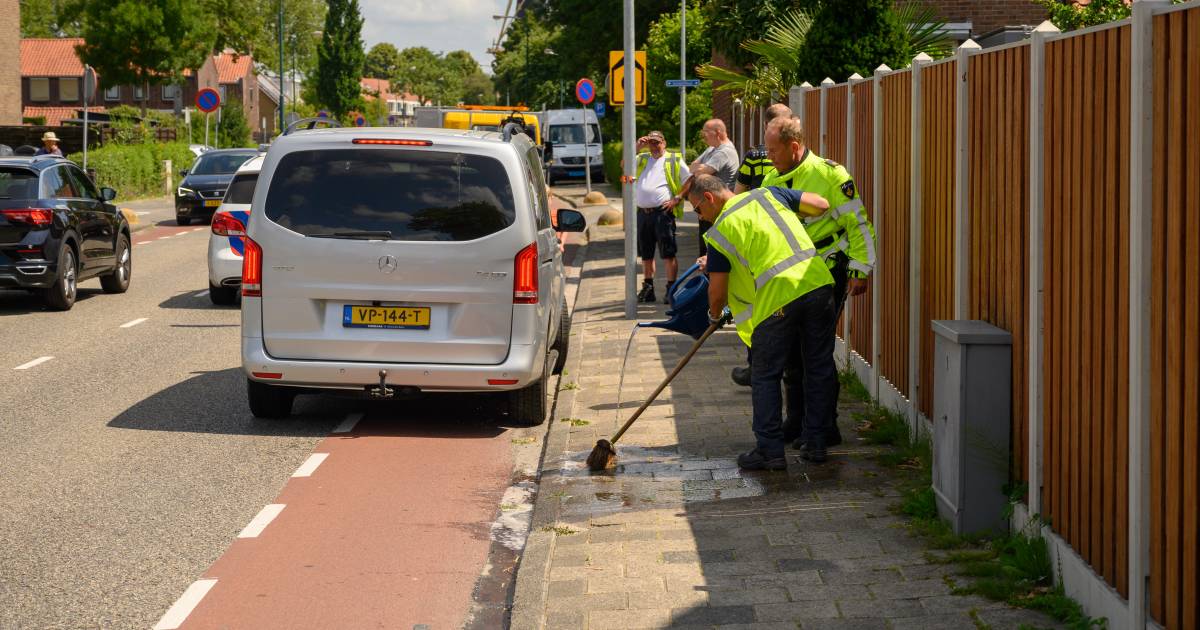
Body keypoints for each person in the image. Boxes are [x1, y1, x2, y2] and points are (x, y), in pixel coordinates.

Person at [689, 174, 838, 469]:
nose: (700, 216)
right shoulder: (769, 194)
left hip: (780, 298)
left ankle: (770, 451)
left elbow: (717, 292)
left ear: (708, 197)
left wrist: (714, 316)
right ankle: (817, 443)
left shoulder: (720, 231)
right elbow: (821, 204)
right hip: (818, 284)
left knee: (765, 374)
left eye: (697, 209)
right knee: (818, 367)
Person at [759, 116, 877, 450]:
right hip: (790, 277)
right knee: (791, 354)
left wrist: (860, 269)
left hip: (827, 271)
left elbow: (858, 224)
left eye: (773, 150)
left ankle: (821, 429)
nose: (769, 157)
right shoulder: (770, 178)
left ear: (794, 147)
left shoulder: (830, 175)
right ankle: (797, 421)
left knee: (816, 353)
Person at [632, 130, 689, 304]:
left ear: (664, 143)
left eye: (657, 142)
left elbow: (689, 179)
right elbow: (624, 166)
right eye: (651, 143)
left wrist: (677, 198)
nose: (654, 146)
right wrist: (636, 147)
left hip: (662, 213)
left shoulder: (673, 159)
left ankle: (671, 289)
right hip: (643, 213)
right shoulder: (642, 158)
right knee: (646, 254)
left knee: (668, 252)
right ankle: (648, 288)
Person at [691, 119, 740, 256]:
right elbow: (692, 167)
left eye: (705, 132)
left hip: (716, 209)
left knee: (712, 252)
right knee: (705, 251)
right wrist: (698, 169)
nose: (703, 136)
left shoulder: (724, 152)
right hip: (708, 206)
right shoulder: (712, 149)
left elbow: (700, 172)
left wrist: (699, 169)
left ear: (718, 132)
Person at [733, 103, 794, 194]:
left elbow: (738, 194)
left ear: (765, 125)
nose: (770, 156)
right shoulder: (800, 156)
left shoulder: (754, 156)